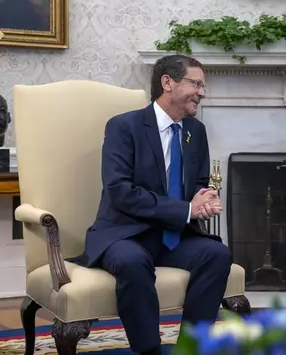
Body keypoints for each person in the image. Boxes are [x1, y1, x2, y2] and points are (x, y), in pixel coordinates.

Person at [81, 55, 231, 355]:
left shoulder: (195, 131)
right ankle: (149, 351)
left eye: (203, 85)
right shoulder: (124, 127)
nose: (202, 92)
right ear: (168, 83)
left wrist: (203, 199)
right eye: (196, 84)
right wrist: (186, 209)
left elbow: (200, 181)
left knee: (217, 254)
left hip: (172, 236)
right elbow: (120, 191)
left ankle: (190, 347)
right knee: (132, 262)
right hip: (125, 233)